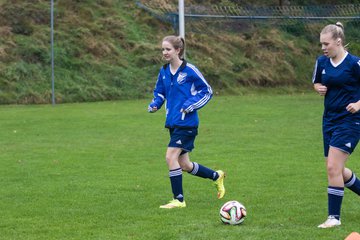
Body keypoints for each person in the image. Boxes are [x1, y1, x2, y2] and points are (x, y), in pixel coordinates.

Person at [148, 35, 225, 209]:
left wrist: (190, 105)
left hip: (187, 124)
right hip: (172, 123)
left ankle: (179, 200)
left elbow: (207, 91)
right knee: (184, 164)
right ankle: (216, 176)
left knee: (170, 157)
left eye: (168, 49)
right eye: (163, 49)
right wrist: (155, 104)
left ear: (178, 50)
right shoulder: (164, 71)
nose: (164, 52)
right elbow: (160, 93)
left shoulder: (190, 70)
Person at [312, 22, 360, 228]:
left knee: (333, 167)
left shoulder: (354, 63)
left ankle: (334, 218)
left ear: (338, 42)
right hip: (329, 120)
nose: (323, 48)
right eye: (321, 44)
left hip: (350, 121)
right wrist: (318, 88)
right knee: (337, 170)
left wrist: (358, 104)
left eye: (326, 43)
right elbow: (316, 81)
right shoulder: (322, 62)